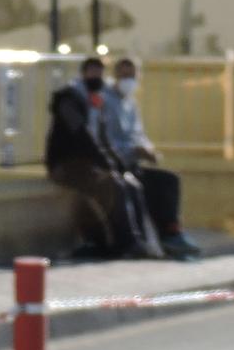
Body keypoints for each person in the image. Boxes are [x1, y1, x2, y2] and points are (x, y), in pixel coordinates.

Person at [45, 63, 160, 260]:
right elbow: (82, 136)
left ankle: (139, 241)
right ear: (83, 75)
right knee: (111, 184)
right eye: (91, 74)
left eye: (99, 74)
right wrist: (105, 163)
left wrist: (116, 164)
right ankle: (123, 242)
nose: (96, 78)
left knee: (130, 184)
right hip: (65, 165)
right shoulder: (69, 99)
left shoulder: (97, 101)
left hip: (89, 165)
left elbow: (103, 138)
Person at [104, 57, 203, 261]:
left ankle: (171, 234)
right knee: (136, 188)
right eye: (123, 75)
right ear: (115, 76)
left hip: (133, 162)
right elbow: (107, 139)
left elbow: (139, 134)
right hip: (115, 164)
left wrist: (148, 150)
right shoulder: (105, 101)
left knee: (168, 181)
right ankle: (141, 241)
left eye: (131, 75)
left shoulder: (131, 104)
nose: (127, 80)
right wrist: (133, 150)